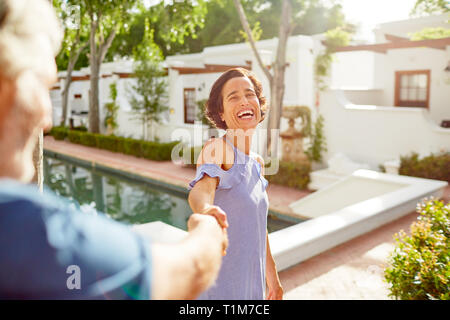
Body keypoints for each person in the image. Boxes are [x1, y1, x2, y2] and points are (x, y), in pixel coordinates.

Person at [0, 0, 227, 300]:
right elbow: (188, 270)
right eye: (42, 86)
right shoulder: (33, 233)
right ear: (5, 83)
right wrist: (208, 230)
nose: (47, 119)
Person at [188, 67, 283, 300]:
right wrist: (206, 209)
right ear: (221, 112)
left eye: (250, 94)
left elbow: (259, 226)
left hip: (251, 289)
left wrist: (273, 279)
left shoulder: (257, 163)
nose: (244, 101)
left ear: (259, 105)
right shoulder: (218, 149)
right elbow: (202, 189)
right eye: (234, 97)